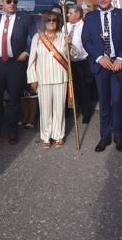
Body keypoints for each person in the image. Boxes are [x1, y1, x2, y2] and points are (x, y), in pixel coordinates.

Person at [81, 0, 122, 152]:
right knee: (103, 101)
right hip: (100, 65)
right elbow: (86, 40)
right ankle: (105, 136)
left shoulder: (121, 14)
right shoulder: (90, 17)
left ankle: (117, 135)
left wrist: (120, 58)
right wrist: (99, 57)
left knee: (117, 101)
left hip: (117, 65)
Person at [0, 0, 35, 145]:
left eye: (15, 1)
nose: (12, 4)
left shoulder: (25, 18)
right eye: (9, 1)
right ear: (2, 2)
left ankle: (12, 130)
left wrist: (27, 52)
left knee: (14, 99)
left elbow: (37, 37)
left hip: (16, 64)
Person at [27, 11, 77, 148]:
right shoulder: (37, 38)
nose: (51, 22)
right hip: (43, 79)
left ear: (58, 21)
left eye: (54, 20)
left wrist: (70, 45)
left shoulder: (64, 37)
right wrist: (32, 78)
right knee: (45, 110)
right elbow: (31, 60)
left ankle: (59, 135)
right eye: (48, 20)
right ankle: (45, 137)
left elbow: (73, 56)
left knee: (59, 109)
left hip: (61, 77)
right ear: (43, 22)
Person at [67, 5, 95, 124]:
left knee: (84, 88)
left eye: (70, 13)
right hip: (68, 62)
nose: (68, 15)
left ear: (77, 15)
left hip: (82, 61)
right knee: (71, 88)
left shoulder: (85, 26)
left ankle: (86, 112)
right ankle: (71, 110)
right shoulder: (66, 26)